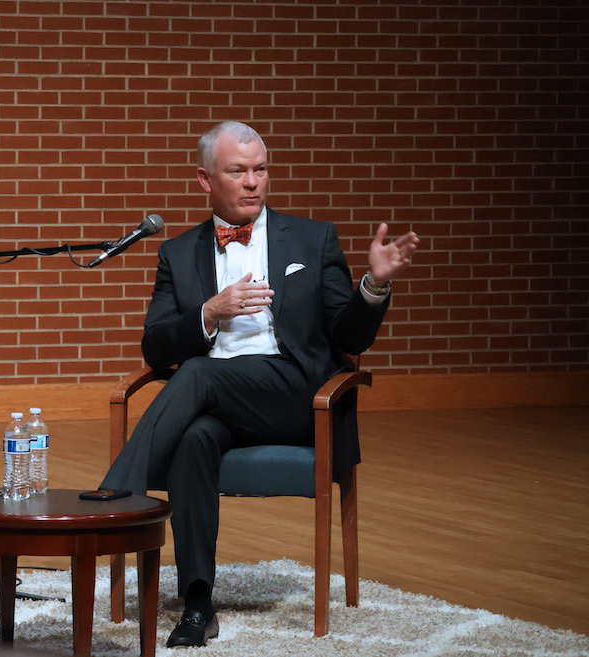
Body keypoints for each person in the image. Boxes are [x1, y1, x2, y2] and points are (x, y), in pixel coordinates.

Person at [100, 121, 420, 648]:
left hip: (298, 398)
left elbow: (348, 336)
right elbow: (155, 350)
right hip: (218, 405)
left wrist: (373, 285)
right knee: (196, 439)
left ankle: (118, 495)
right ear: (206, 180)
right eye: (238, 171)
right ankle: (199, 603)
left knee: (199, 374)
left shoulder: (313, 239)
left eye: (260, 169)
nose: (253, 182)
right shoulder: (177, 254)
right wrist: (208, 311)